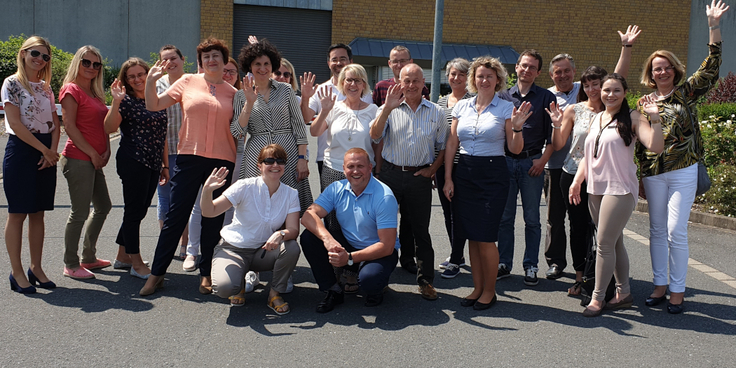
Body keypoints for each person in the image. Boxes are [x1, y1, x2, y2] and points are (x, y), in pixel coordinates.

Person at [637, 0, 728, 314]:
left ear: (674, 69)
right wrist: (638, 174)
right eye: (656, 68)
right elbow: (641, 143)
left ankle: (677, 290)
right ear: (650, 73)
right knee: (657, 230)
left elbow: (712, 66)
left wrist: (713, 25)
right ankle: (659, 285)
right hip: (654, 172)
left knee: (676, 230)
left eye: (666, 67)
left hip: (684, 169)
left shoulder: (686, 93)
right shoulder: (644, 102)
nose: (661, 71)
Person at [545, 26, 641, 291]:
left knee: (605, 234)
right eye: (587, 85)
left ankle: (604, 280)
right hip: (573, 174)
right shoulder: (574, 110)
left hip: (605, 178)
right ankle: (581, 277)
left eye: (595, 85)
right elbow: (559, 144)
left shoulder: (613, 111)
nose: (592, 89)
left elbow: (618, 75)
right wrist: (555, 125)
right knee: (578, 228)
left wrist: (626, 47)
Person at [141, 37, 238, 296]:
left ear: (224, 60)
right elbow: (153, 105)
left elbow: (240, 129)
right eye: (206, 57)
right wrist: (151, 81)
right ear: (200, 62)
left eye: (215, 55)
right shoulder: (187, 82)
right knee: (176, 216)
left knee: (212, 218)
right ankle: (157, 273)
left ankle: (206, 273)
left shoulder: (234, 93)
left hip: (222, 160)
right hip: (189, 156)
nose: (211, 60)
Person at [569, 73, 664, 317]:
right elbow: (586, 156)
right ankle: (624, 293)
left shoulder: (632, 117)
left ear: (624, 93)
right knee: (614, 241)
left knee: (603, 244)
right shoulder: (598, 117)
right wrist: (578, 180)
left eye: (616, 91)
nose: (610, 95)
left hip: (619, 189)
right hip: (595, 188)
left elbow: (655, 146)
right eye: (606, 90)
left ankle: (597, 299)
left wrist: (654, 118)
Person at [443, 56, 532, 310]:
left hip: (493, 174)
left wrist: (516, 129)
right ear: (474, 79)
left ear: (498, 80)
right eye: (480, 76)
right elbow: (452, 144)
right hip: (465, 172)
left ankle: (490, 292)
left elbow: (515, 150)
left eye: (489, 77)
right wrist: (448, 177)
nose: (484, 80)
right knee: (471, 235)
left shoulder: (506, 109)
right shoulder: (462, 106)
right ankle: (477, 288)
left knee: (485, 236)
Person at [369, 63, 448, 300]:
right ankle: (379, 277)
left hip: (419, 177)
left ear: (424, 83)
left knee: (421, 231)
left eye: (416, 80)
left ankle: (426, 282)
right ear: (399, 83)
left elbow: (443, 145)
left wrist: (433, 169)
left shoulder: (436, 112)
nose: (411, 85)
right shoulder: (388, 108)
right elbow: (374, 135)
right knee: (382, 228)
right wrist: (386, 110)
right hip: (391, 174)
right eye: (407, 81)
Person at [300, 148, 399, 312]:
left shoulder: (384, 197)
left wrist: (350, 258)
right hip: (349, 243)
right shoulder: (336, 188)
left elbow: (387, 246)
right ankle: (333, 290)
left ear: (370, 167)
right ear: (343, 169)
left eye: (360, 166)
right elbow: (308, 216)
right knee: (309, 237)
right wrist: (328, 240)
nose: (355, 171)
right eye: (350, 166)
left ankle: (376, 286)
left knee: (370, 280)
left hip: (379, 251)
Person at [206, 144, 300, 314]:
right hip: (233, 249)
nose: (275, 165)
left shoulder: (291, 193)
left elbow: (293, 230)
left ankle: (274, 294)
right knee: (224, 289)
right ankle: (239, 285)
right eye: (269, 161)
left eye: (280, 161)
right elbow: (209, 211)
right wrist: (207, 191)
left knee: (291, 247)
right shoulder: (244, 186)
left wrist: (281, 233)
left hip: (263, 251)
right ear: (259, 165)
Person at [2, 36, 60, 293]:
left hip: (46, 152)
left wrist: (52, 152)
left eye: (45, 56)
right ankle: (16, 272)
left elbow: (55, 125)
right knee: (18, 213)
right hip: (23, 150)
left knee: (38, 213)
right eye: (35, 53)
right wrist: (44, 150)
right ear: (23, 53)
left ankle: (36, 267)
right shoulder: (11, 83)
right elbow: (15, 124)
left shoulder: (46, 87)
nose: (40, 59)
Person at [496, 50, 557, 286]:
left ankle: (531, 265)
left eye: (532, 67)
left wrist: (542, 161)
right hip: (506, 161)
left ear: (539, 72)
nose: (527, 70)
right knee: (505, 217)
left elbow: (553, 137)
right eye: (524, 65)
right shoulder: (502, 96)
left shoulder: (545, 97)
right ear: (516, 68)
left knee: (532, 218)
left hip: (533, 163)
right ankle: (504, 262)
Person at [232, 39, 312, 217]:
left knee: (290, 205)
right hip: (257, 154)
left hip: (289, 152)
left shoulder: (285, 90)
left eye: (266, 64)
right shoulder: (240, 95)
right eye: (257, 64)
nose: (262, 68)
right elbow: (238, 132)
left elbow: (299, 126)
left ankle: (285, 240)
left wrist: (302, 158)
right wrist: (249, 104)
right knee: (257, 204)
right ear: (249, 66)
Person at [104, 58, 167, 280]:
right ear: (126, 80)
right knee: (133, 212)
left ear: (148, 74)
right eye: (132, 76)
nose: (137, 79)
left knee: (138, 211)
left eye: (141, 74)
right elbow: (109, 127)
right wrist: (115, 102)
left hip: (152, 163)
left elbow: (163, 134)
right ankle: (136, 262)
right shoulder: (126, 101)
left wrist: (165, 164)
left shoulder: (155, 97)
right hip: (133, 161)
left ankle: (122, 256)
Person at [371, 46, 430, 269]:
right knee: (383, 215)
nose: (398, 64)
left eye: (403, 61)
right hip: (388, 163)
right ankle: (382, 257)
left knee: (410, 218)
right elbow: (378, 132)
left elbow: (427, 132)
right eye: (395, 61)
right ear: (389, 64)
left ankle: (407, 258)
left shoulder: (420, 90)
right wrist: (378, 167)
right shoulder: (381, 88)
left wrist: (430, 167)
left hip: (414, 165)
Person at [185, 56, 244, 273]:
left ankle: (221, 249)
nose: (228, 75)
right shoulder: (210, 91)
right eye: (225, 70)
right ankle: (192, 251)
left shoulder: (239, 96)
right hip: (209, 155)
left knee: (227, 205)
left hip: (236, 154)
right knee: (200, 205)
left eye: (232, 72)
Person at [59, 45, 113, 280]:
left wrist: (107, 148)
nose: (91, 67)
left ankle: (88, 257)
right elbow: (69, 126)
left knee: (104, 206)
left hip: (95, 159)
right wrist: (92, 153)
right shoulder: (71, 89)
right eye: (86, 62)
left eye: (96, 64)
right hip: (79, 158)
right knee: (79, 213)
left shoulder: (95, 92)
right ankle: (71, 264)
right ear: (77, 63)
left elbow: (104, 126)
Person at [300, 43, 372, 179]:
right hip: (328, 160)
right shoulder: (320, 89)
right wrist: (305, 97)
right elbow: (306, 118)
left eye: (342, 58)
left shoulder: (365, 93)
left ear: (350, 61)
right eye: (334, 59)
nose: (338, 63)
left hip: (360, 163)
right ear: (328, 63)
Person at [435, 57, 472, 279]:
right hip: (441, 164)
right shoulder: (440, 102)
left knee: (458, 212)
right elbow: (438, 137)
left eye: (461, 74)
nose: (455, 78)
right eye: (452, 74)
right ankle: (456, 253)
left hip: (463, 164)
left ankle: (456, 257)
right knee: (447, 212)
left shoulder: (474, 100)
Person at [154, 44, 190, 264]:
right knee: (164, 198)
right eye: (165, 59)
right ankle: (165, 242)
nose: (170, 62)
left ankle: (185, 244)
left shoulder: (193, 82)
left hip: (188, 150)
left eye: (173, 57)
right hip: (164, 150)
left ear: (182, 58)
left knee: (185, 200)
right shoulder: (157, 85)